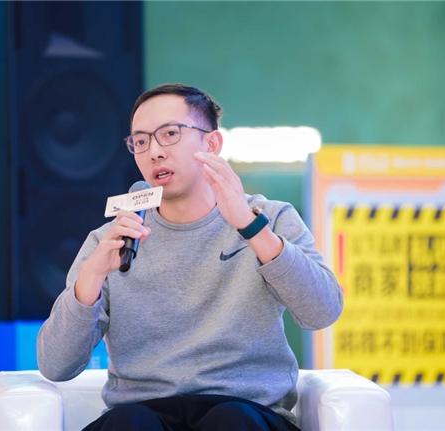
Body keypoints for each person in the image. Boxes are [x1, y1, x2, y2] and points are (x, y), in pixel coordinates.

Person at [37, 83, 343, 431]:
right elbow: (55, 365)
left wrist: (251, 227)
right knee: (128, 424)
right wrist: (90, 278)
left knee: (231, 420)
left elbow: (323, 311)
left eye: (169, 134)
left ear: (211, 144)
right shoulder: (111, 240)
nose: (154, 152)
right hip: (142, 413)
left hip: (247, 412)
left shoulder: (269, 219)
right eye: (140, 141)